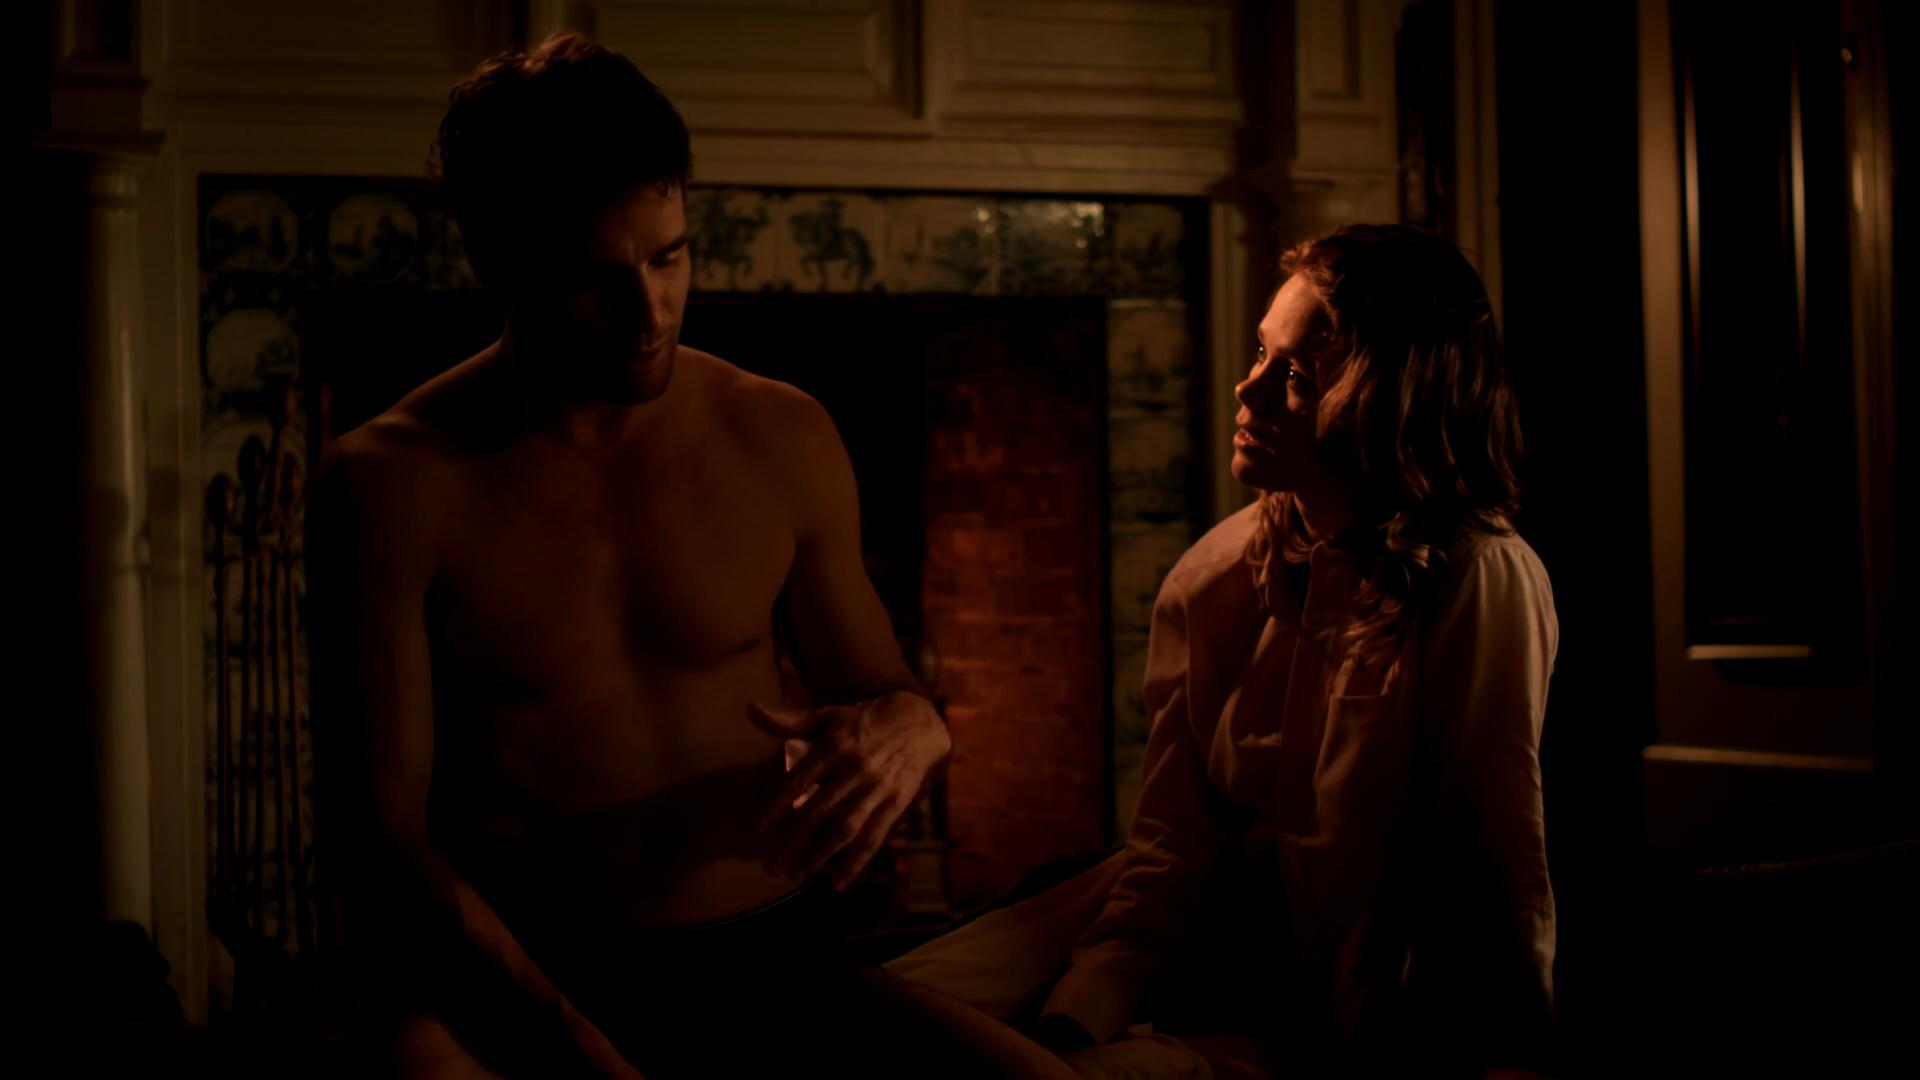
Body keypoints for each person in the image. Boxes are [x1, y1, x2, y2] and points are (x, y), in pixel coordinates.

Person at [305, 34, 957, 1078]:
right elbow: (378, 840)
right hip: (519, 975)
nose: (649, 314)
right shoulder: (389, 482)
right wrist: (574, 1045)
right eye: (594, 279)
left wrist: (915, 726)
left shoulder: (779, 434)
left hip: (770, 954)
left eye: (669, 257)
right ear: (498, 264)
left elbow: (880, 690)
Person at [887, 224, 1559, 1079]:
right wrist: (1081, 1014)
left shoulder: (1472, 577)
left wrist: (1508, 1060)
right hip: (1192, 978)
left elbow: (1495, 857)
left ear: (1389, 401)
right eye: (1260, 353)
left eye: (1299, 377)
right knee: (861, 1011)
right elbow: (1170, 846)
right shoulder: (1216, 575)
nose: (1248, 388)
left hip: (1347, 1035)